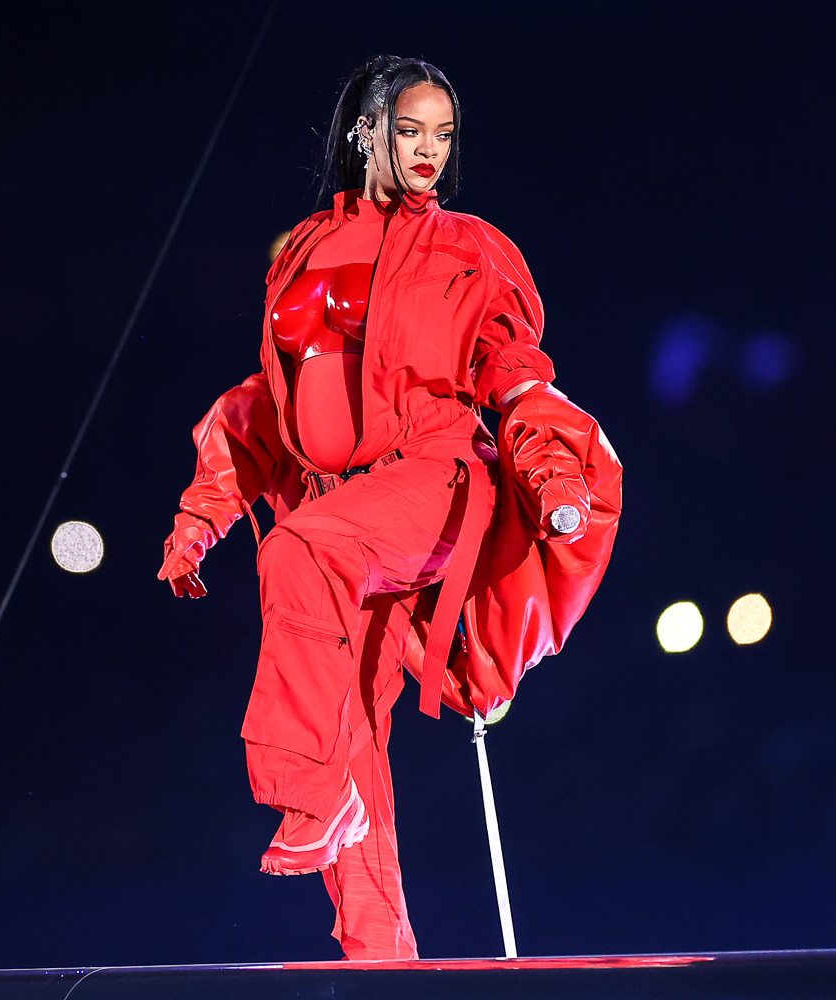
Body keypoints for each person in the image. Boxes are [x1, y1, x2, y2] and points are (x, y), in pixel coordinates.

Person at [158, 54, 622, 960]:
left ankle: (309, 790)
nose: (429, 152)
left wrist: (556, 478)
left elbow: (513, 372)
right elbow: (274, 402)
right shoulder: (300, 250)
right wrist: (203, 512)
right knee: (354, 723)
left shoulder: (470, 249)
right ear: (366, 131)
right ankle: (382, 959)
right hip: (345, 499)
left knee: (296, 553)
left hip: (438, 481)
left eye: (443, 136)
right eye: (410, 131)